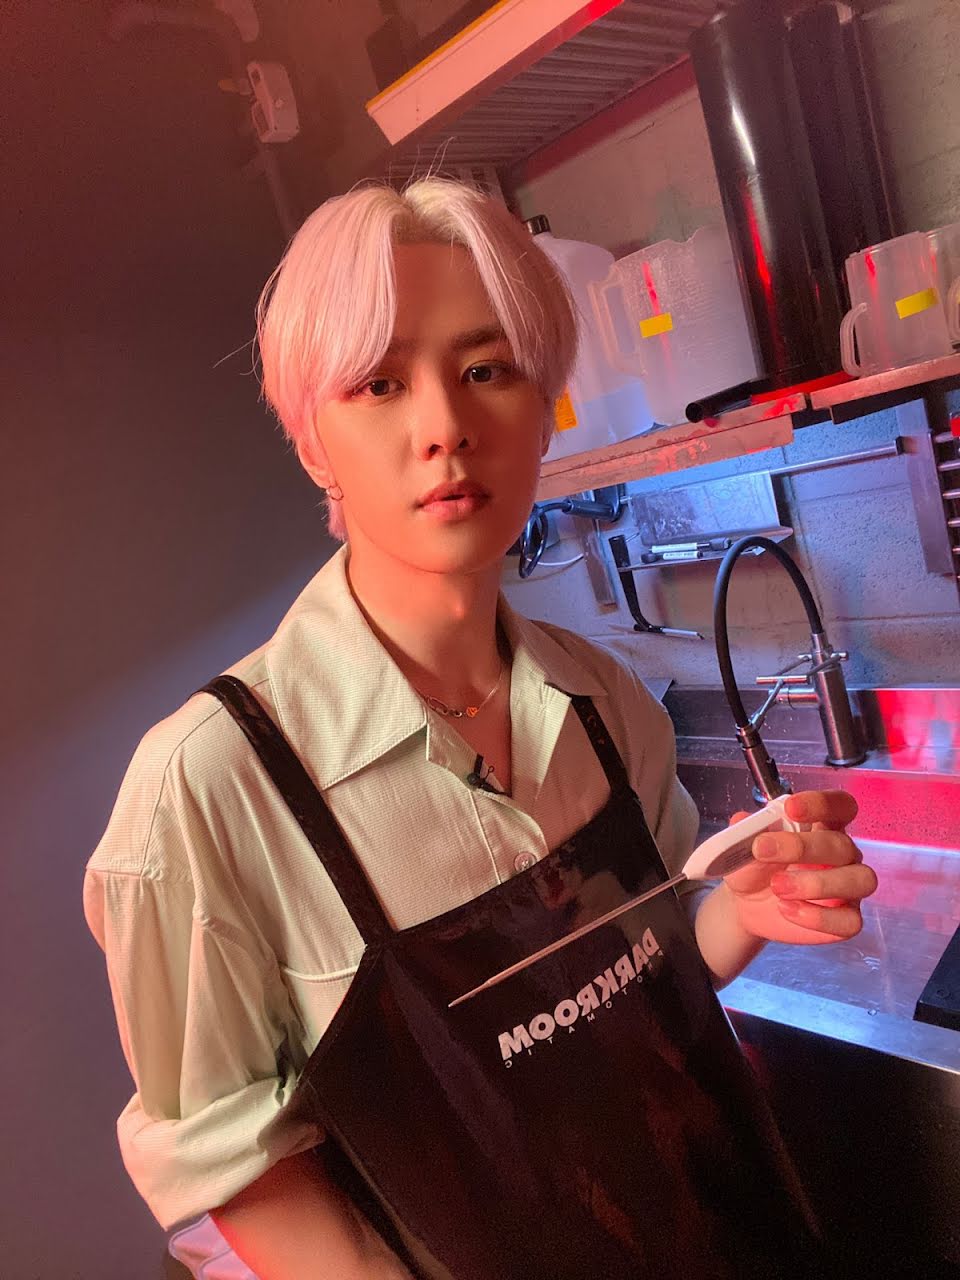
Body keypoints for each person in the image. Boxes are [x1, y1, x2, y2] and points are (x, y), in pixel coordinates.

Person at [84, 178, 878, 1280]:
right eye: (379, 383)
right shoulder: (209, 790)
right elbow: (231, 1167)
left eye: (486, 370)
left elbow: (644, 983)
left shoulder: (605, 700)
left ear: (543, 408)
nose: (445, 428)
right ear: (312, 443)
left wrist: (744, 911)